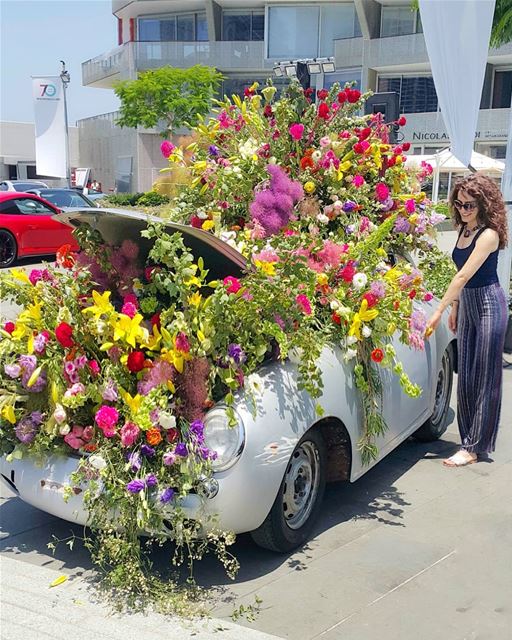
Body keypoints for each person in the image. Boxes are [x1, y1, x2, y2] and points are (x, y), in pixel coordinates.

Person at [426, 173, 509, 467]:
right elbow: (463, 277)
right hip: (470, 304)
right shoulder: (463, 230)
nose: (463, 210)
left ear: (484, 204)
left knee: (485, 377)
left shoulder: (488, 234)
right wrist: (457, 307)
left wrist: (439, 310)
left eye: (470, 205)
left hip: (489, 304)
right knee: (467, 377)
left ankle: (474, 446)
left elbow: (462, 275)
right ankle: (469, 441)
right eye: (459, 204)